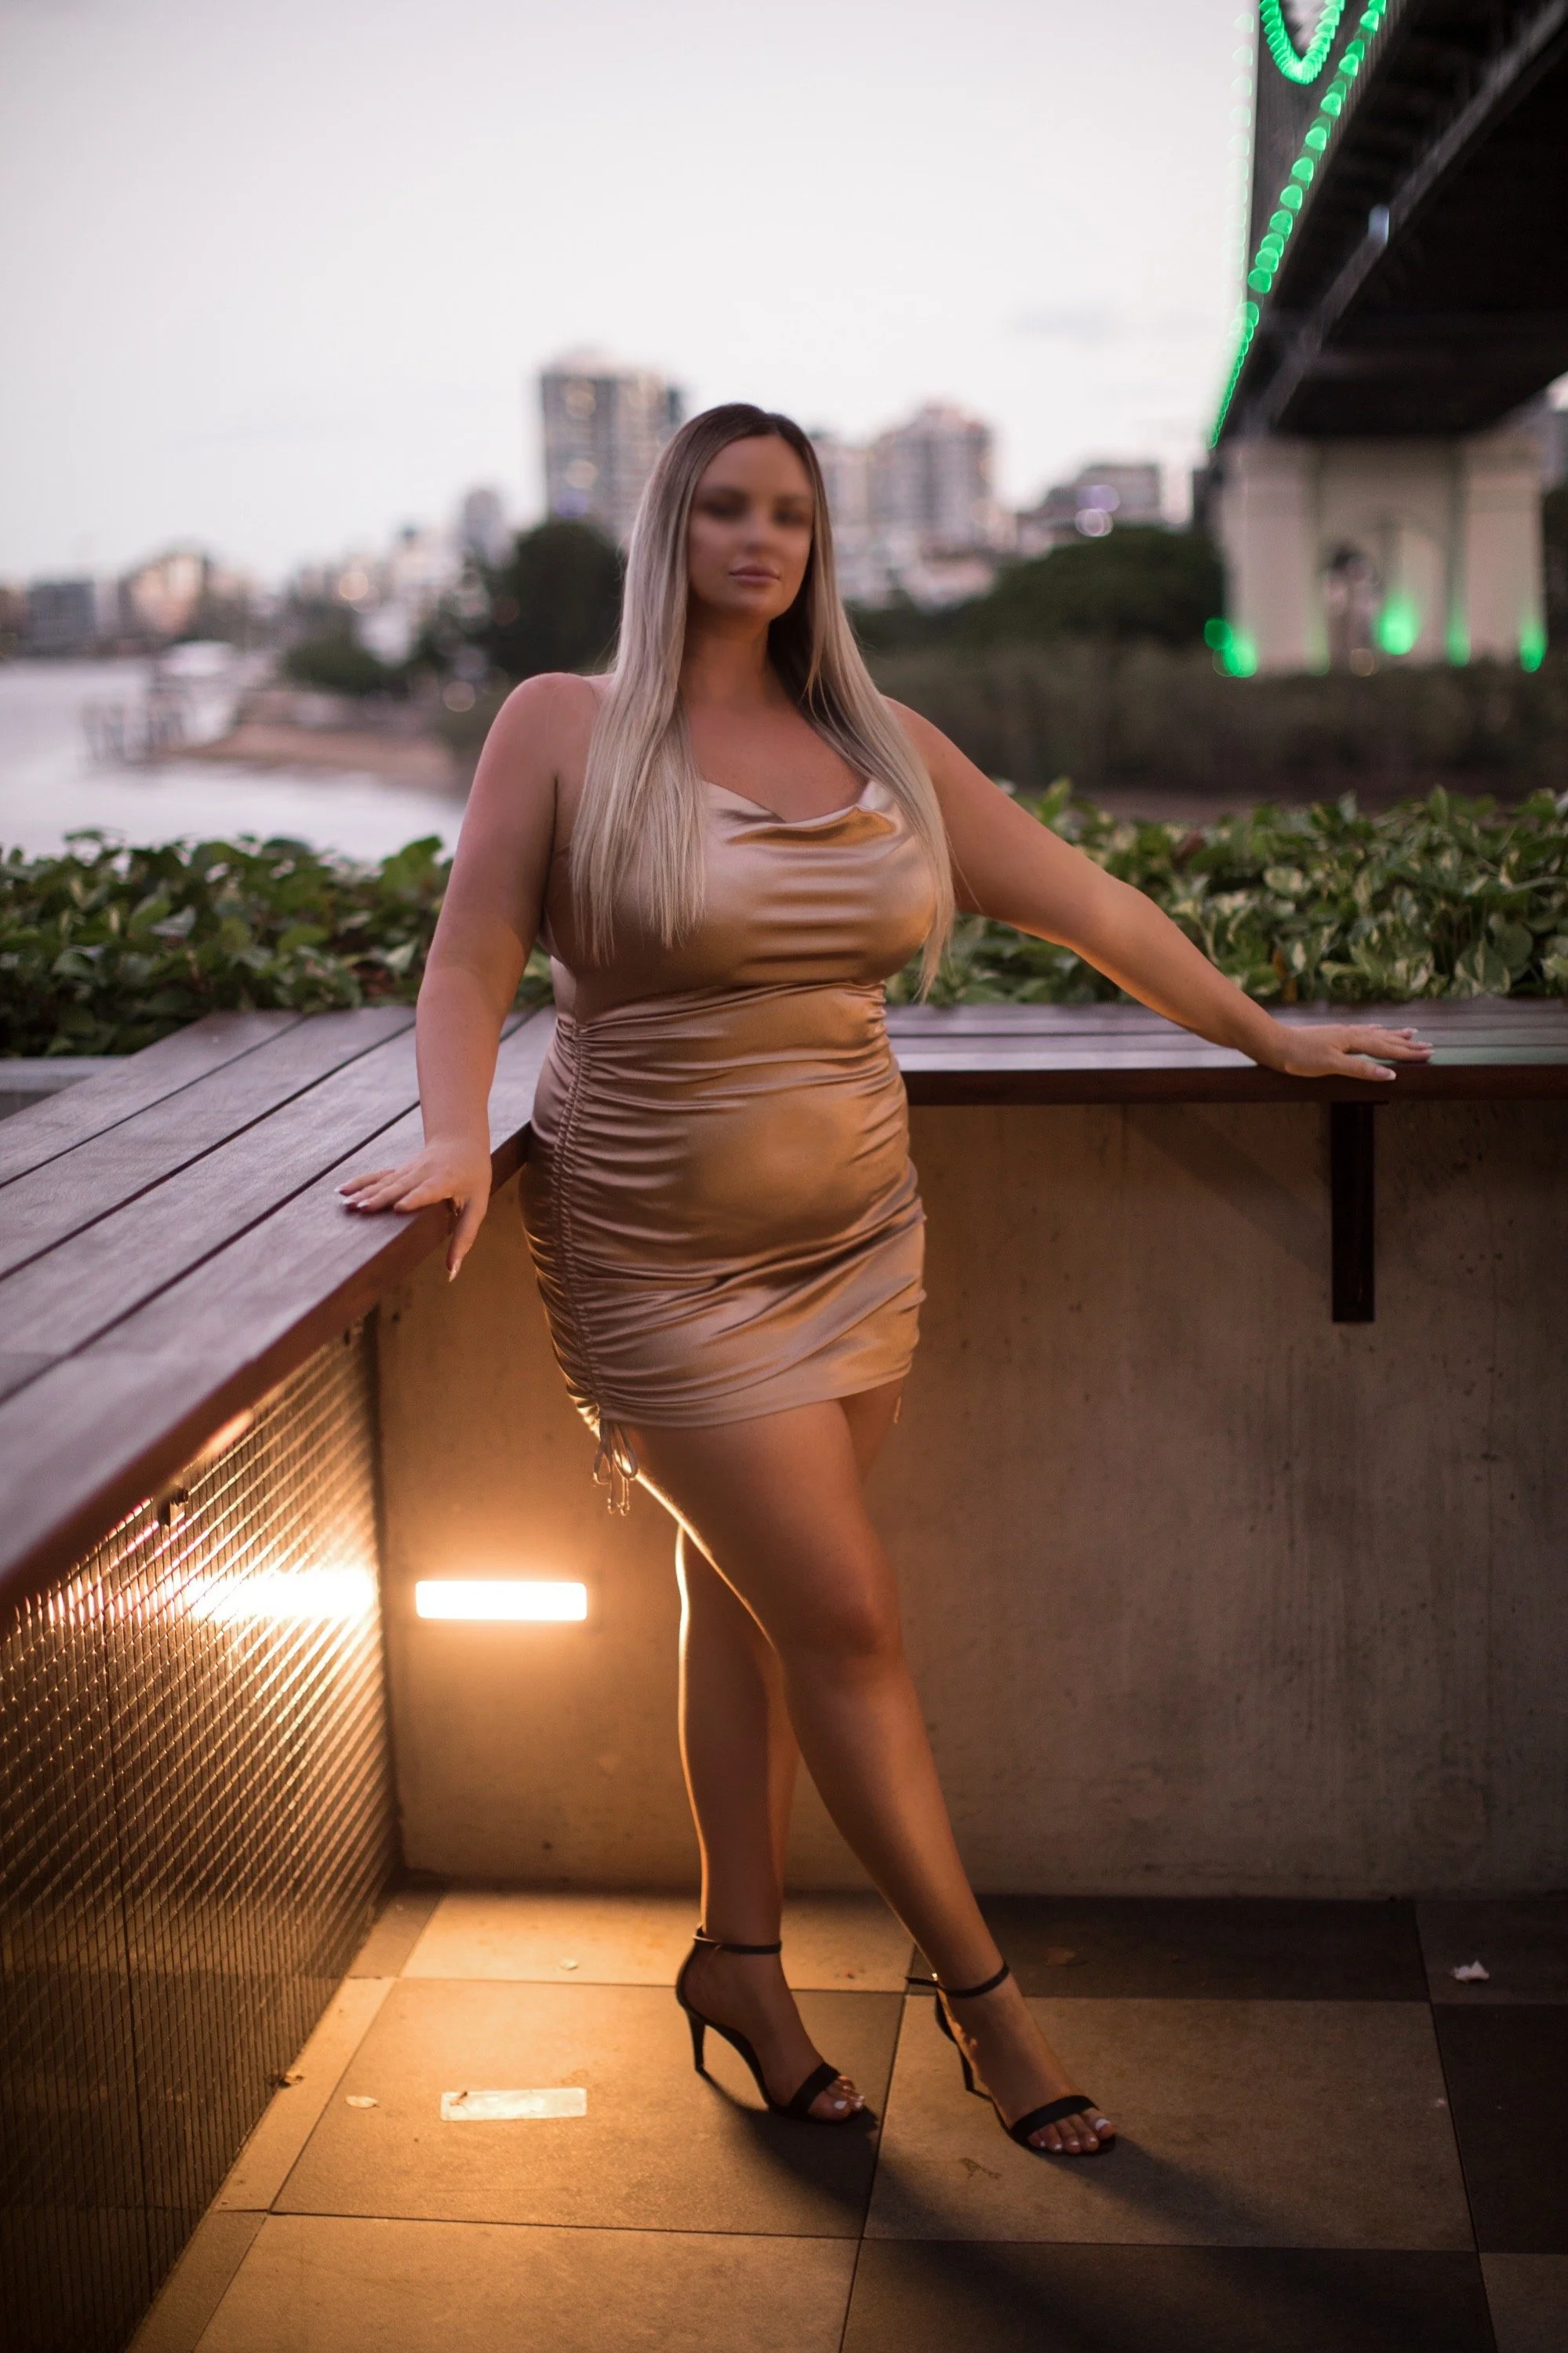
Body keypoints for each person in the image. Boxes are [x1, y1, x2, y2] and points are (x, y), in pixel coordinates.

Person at [342, 403, 1431, 2155]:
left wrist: (1266, 1034)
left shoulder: (886, 745)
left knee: (757, 1605)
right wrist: (459, 1135)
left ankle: (742, 1963)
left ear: (820, 543)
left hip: (856, 1245)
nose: (760, 539)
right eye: (722, 509)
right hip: (653, 1251)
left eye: (790, 512)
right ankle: (989, 2005)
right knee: (845, 1621)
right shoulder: (563, 727)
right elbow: (471, 953)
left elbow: (1089, 903)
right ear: (668, 532)